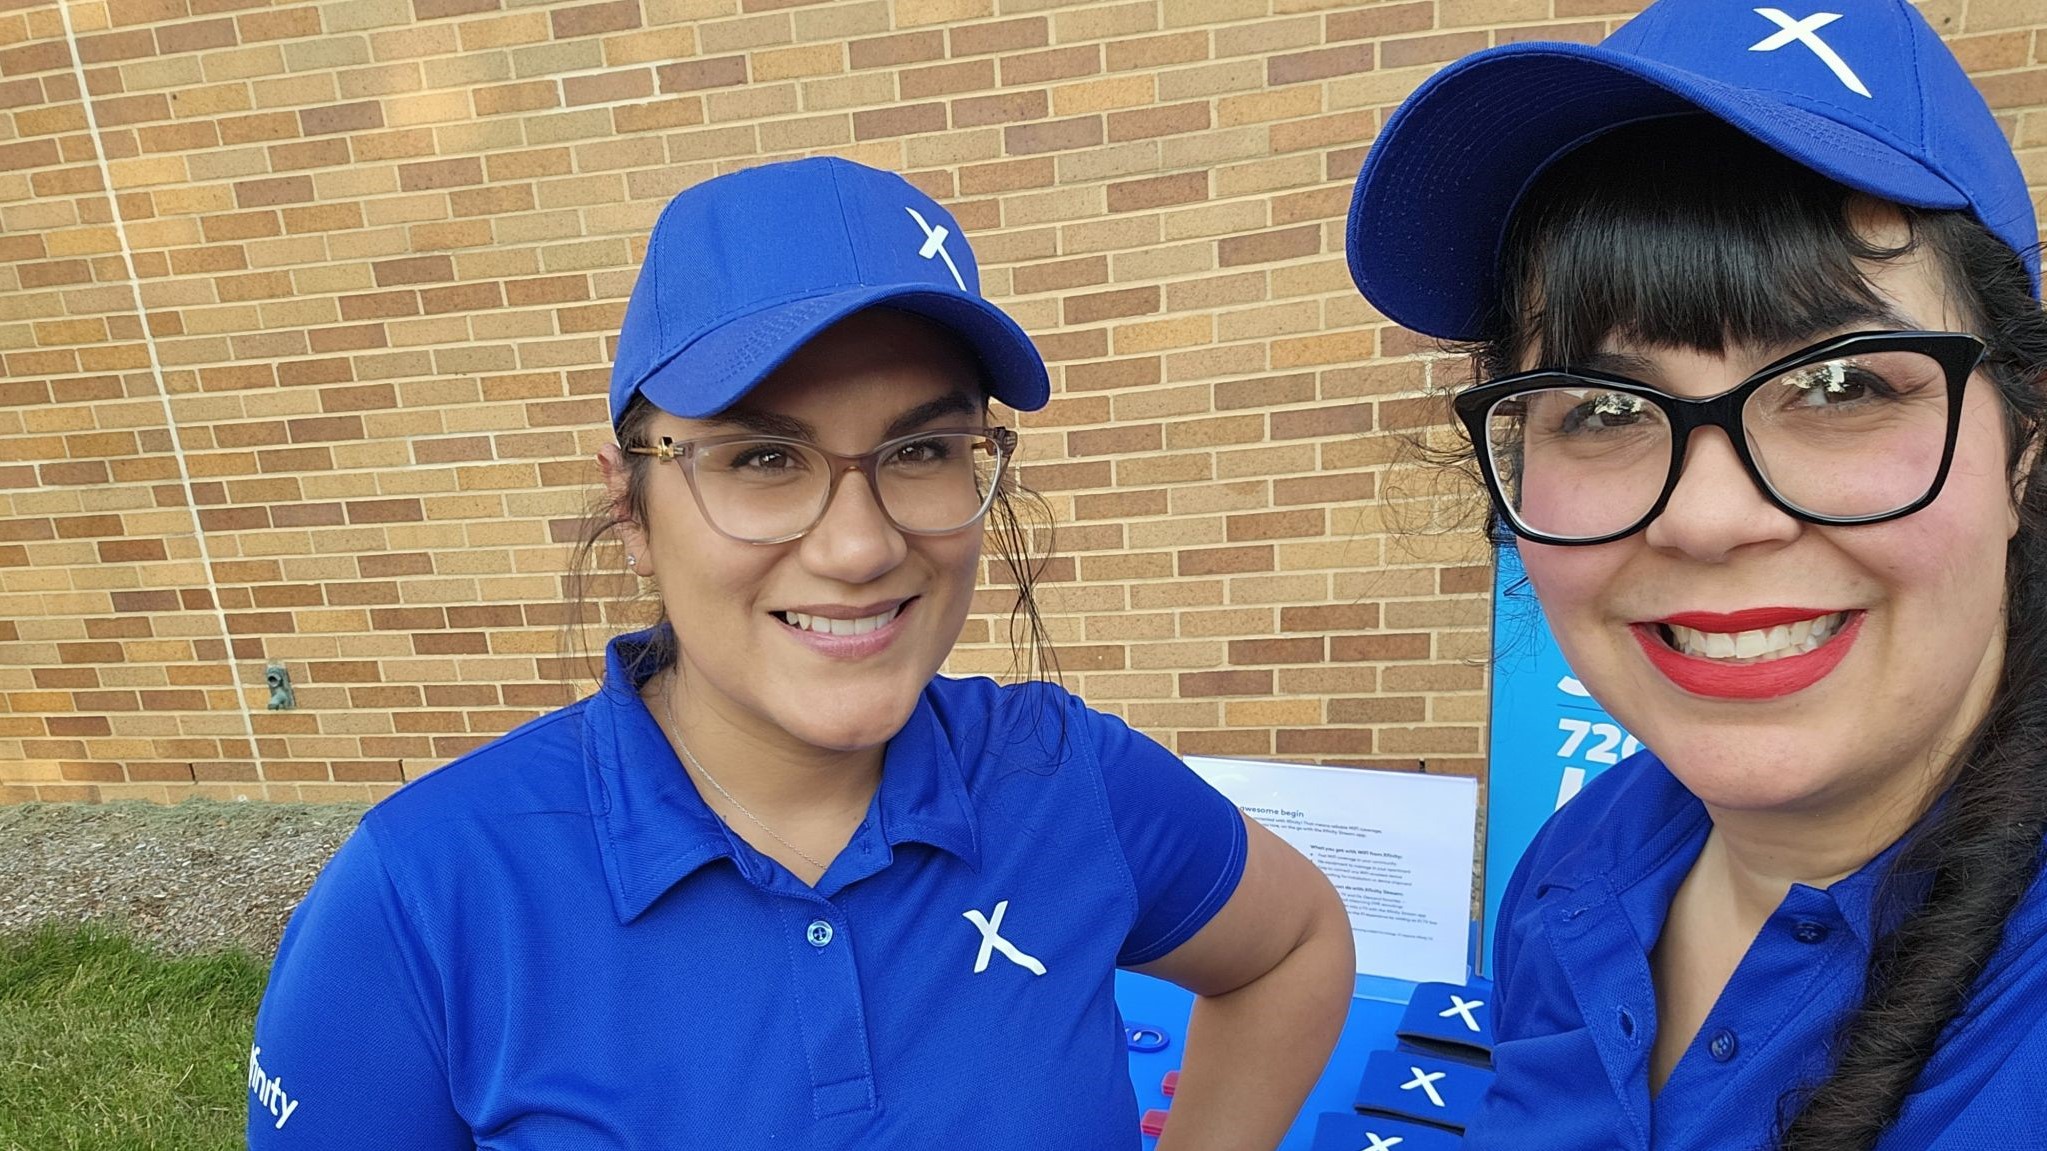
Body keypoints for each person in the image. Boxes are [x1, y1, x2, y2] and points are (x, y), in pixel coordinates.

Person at [246, 156, 1353, 1149]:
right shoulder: (425, 894)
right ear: (629, 507)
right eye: (764, 456)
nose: (863, 544)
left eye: (923, 446)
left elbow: (1294, 942)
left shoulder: (1069, 783)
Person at [1346, 2, 2047, 1148]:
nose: (1708, 517)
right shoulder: (1581, 865)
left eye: (1842, 386)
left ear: (2022, 440)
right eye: (1605, 407)